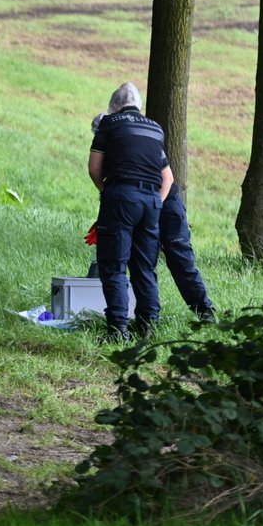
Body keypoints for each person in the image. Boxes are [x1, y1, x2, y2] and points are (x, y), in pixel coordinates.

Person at [90, 110, 215, 323]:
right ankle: (150, 321)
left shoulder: (114, 131)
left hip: (158, 203)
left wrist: (112, 199)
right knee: (147, 264)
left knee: (174, 260)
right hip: (151, 202)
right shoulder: (149, 133)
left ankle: (203, 312)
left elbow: (165, 180)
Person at [88, 82, 172, 339]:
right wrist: (155, 202)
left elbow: (94, 167)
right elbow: (167, 178)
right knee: (145, 267)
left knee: (114, 265)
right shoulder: (155, 128)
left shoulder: (110, 123)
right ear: (139, 105)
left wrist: (107, 193)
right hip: (151, 202)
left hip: (121, 197)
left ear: (114, 105)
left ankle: (117, 330)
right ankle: (148, 328)